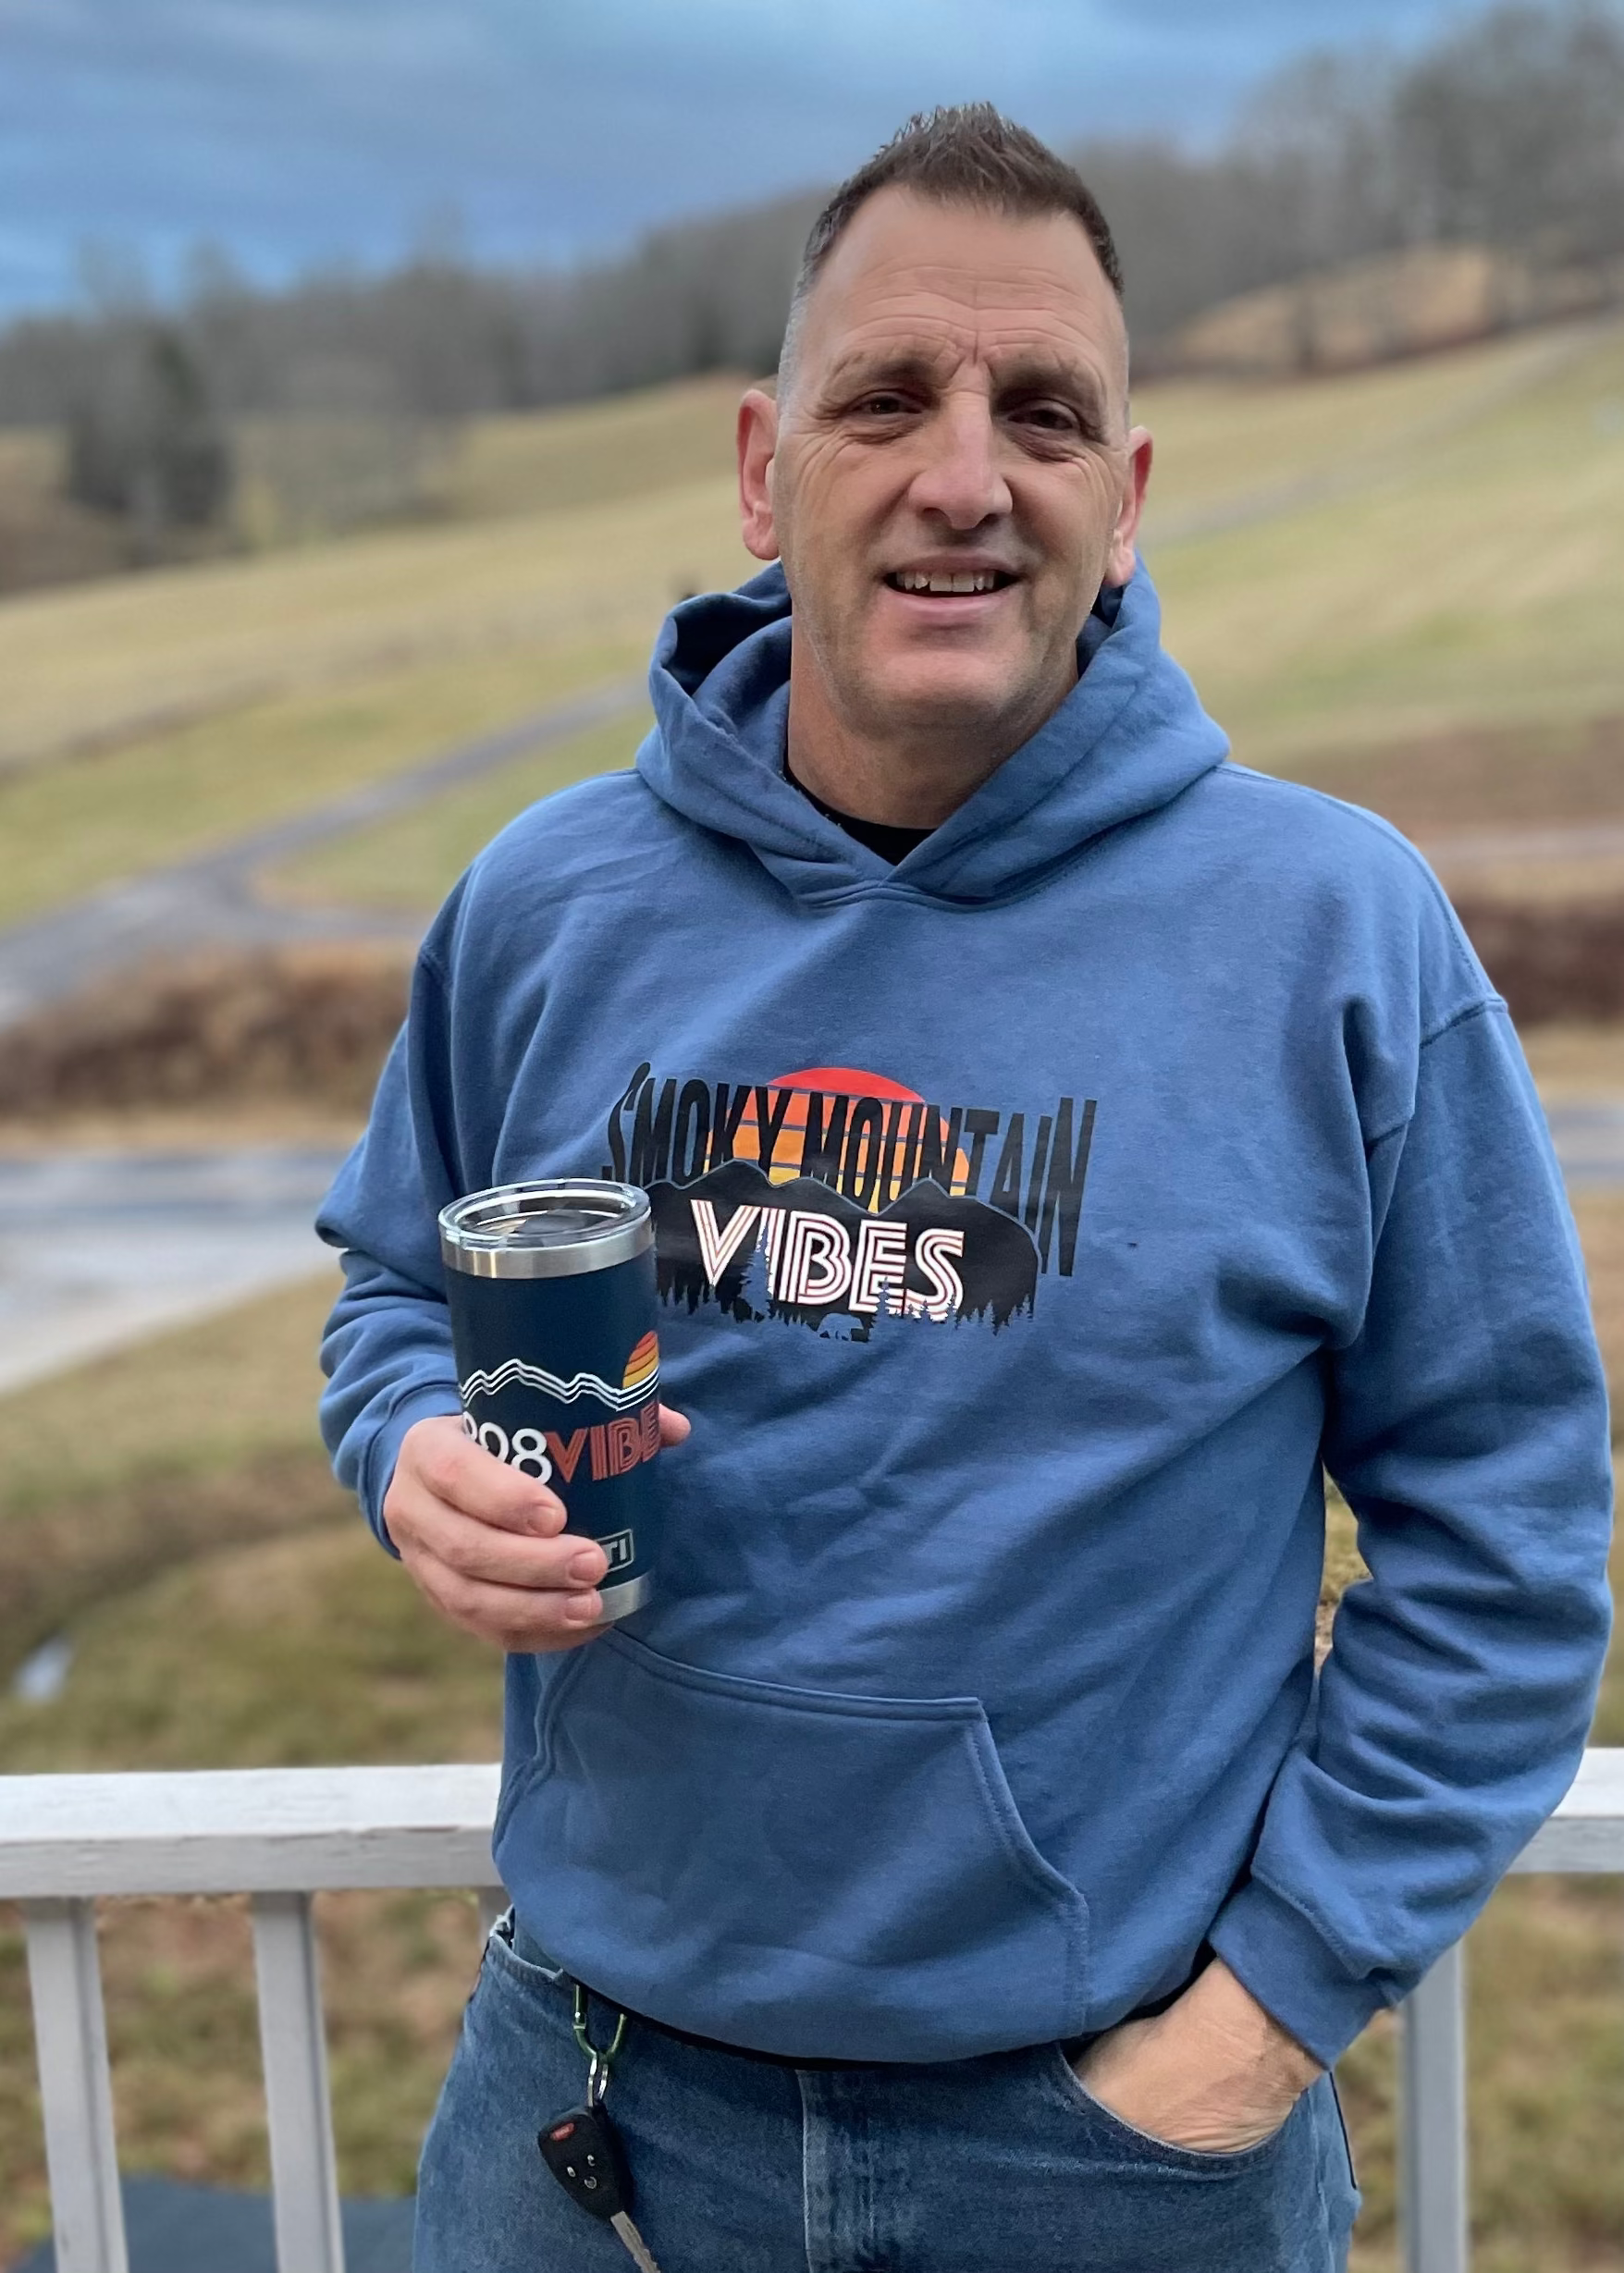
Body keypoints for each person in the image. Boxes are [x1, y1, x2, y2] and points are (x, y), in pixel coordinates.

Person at [317, 105, 1613, 2273]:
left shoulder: (1329, 932)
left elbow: (1508, 1527)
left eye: (1041, 412)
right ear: (759, 467)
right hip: (590, 2106)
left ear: (1121, 498)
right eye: (883, 397)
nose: (959, 473)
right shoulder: (543, 907)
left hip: (1112, 2156)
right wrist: (406, 1448)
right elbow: (388, 1294)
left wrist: (1258, 2022)